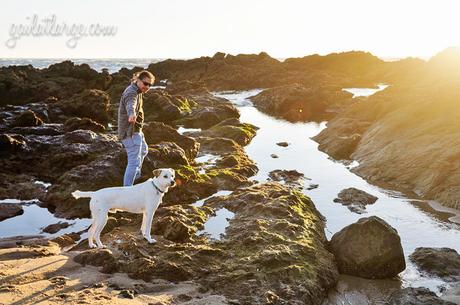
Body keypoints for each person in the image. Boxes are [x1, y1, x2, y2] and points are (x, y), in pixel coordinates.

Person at [118, 70, 155, 186]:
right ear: (138, 80)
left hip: (137, 130)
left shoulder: (138, 90)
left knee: (144, 150)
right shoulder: (131, 92)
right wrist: (131, 114)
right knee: (133, 161)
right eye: (145, 83)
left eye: (150, 85)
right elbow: (131, 103)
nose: (147, 86)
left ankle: (136, 176)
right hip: (130, 132)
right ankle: (127, 189)